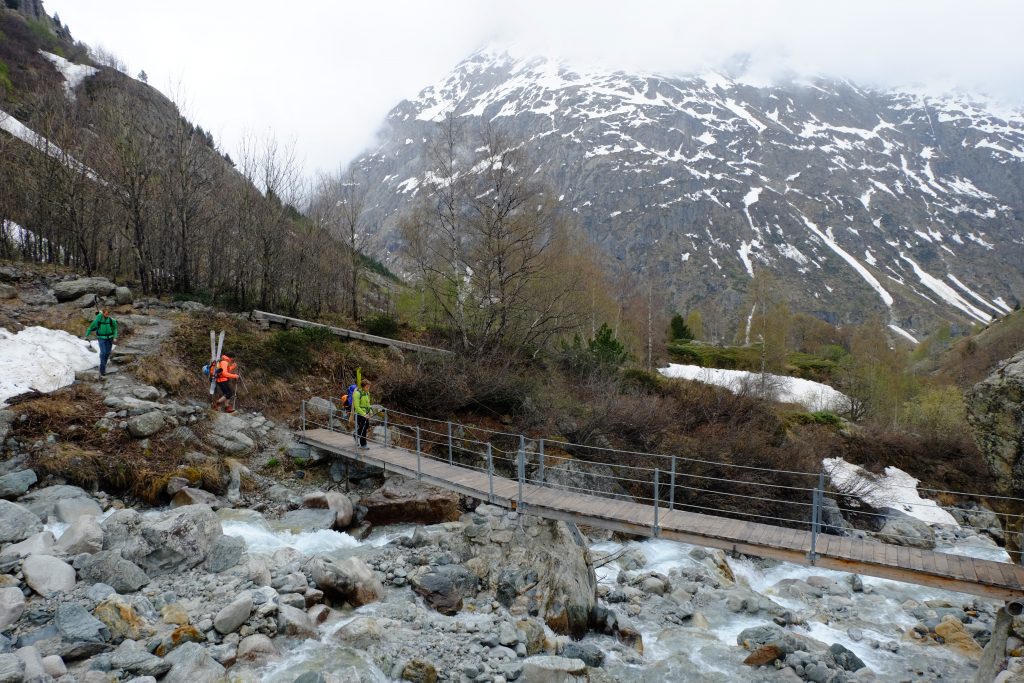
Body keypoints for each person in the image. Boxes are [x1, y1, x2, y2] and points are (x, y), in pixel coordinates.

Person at [84, 308, 118, 376]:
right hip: (101, 338)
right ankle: (102, 369)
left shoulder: (111, 320)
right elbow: (90, 327)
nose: (107, 315)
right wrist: (86, 336)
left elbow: (115, 328)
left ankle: (103, 366)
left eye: (108, 314)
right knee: (103, 353)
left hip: (110, 338)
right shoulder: (98, 320)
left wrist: (115, 337)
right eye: (106, 314)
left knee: (107, 353)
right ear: (103, 313)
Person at [353, 379, 374, 449]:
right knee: (363, 429)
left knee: (366, 426)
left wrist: (370, 411)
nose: (368, 389)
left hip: (366, 413)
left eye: (369, 387)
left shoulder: (367, 393)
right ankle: (363, 444)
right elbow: (357, 406)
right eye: (367, 387)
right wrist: (364, 414)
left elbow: (368, 403)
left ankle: (356, 434)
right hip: (359, 414)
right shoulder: (357, 394)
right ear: (363, 386)